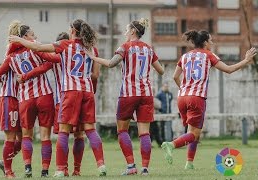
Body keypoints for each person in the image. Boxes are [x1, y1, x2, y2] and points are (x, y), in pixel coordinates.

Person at [9, 19, 106, 177]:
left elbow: (39, 47)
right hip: (87, 91)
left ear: (73, 31)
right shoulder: (92, 49)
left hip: (69, 93)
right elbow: (95, 75)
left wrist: (19, 40)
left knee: (63, 132)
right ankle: (101, 165)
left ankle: (61, 169)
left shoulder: (65, 45)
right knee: (89, 130)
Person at [161, 30, 256, 170]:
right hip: (196, 98)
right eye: (210, 40)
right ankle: (171, 145)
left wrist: (184, 88)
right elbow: (228, 69)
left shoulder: (185, 56)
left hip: (182, 97)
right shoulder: (208, 55)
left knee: (192, 132)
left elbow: (175, 77)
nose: (212, 42)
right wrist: (246, 60)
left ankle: (189, 163)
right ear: (205, 42)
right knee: (194, 134)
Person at [85, 18, 164, 175]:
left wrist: (92, 57)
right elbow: (161, 70)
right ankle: (145, 169)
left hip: (129, 94)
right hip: (146, 94)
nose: (125, 33)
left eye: (127, 30)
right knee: (144, 133)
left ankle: (131, 166)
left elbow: (110, 63)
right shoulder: (149, 49)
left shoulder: (125, 47)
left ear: (133, 31)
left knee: (122, 130)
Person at [0, 22, 60, 178]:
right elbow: (51, 62)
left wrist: (21, 78)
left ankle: (27, 168)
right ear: (23, 37)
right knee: (44, 136)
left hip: (24, 98)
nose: (34, 37)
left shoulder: (10, 57)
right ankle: (44, 171)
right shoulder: (35, 48)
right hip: (43, 95)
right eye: (32, 34)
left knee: (25, 136)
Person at [0, 20, 23, 179]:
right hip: (8, 98)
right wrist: (6, 83)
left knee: (23, 138)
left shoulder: (22, 51)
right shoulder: (11, 52)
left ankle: (5, 163)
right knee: (11, 137)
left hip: (19, 99)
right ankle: (9, 172)